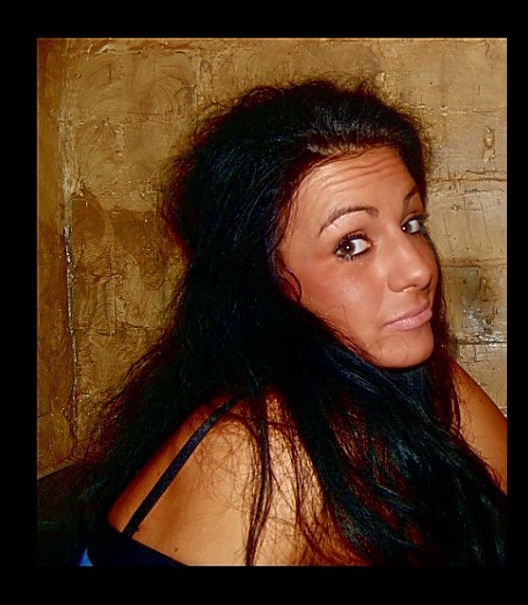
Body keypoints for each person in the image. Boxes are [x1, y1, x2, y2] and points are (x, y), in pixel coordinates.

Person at [73, 77, 506, 566]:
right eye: (352, 245)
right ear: (265, 283)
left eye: (411, 224)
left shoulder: (418, 380)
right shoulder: (261, 449)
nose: (419, 269)